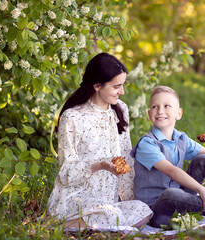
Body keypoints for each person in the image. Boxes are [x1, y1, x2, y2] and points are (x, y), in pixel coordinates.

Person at [47, 53, 152, 229]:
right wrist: (100, 165)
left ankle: (105, 224)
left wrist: (130, 199)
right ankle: (57, 224)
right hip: (77, 196)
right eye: (117, 86)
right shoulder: (72, 117)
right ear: (97, 85)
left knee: (142, 210)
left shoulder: (121, 110)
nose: (122, 92)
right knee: (110, 215)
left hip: (107, 200)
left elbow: (126, 156)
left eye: (122, 85)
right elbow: (66, 172)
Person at [130, 85, 205, 227]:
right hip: (155, 212)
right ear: (149, 113)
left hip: (179, 202)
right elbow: (171, 170)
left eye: (167, 106)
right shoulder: (147, 143)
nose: (160, 111)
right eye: (155, 107)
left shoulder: (181, 138)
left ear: (178, 113)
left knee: (202, 160)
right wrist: (201, 189)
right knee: (170, 193)